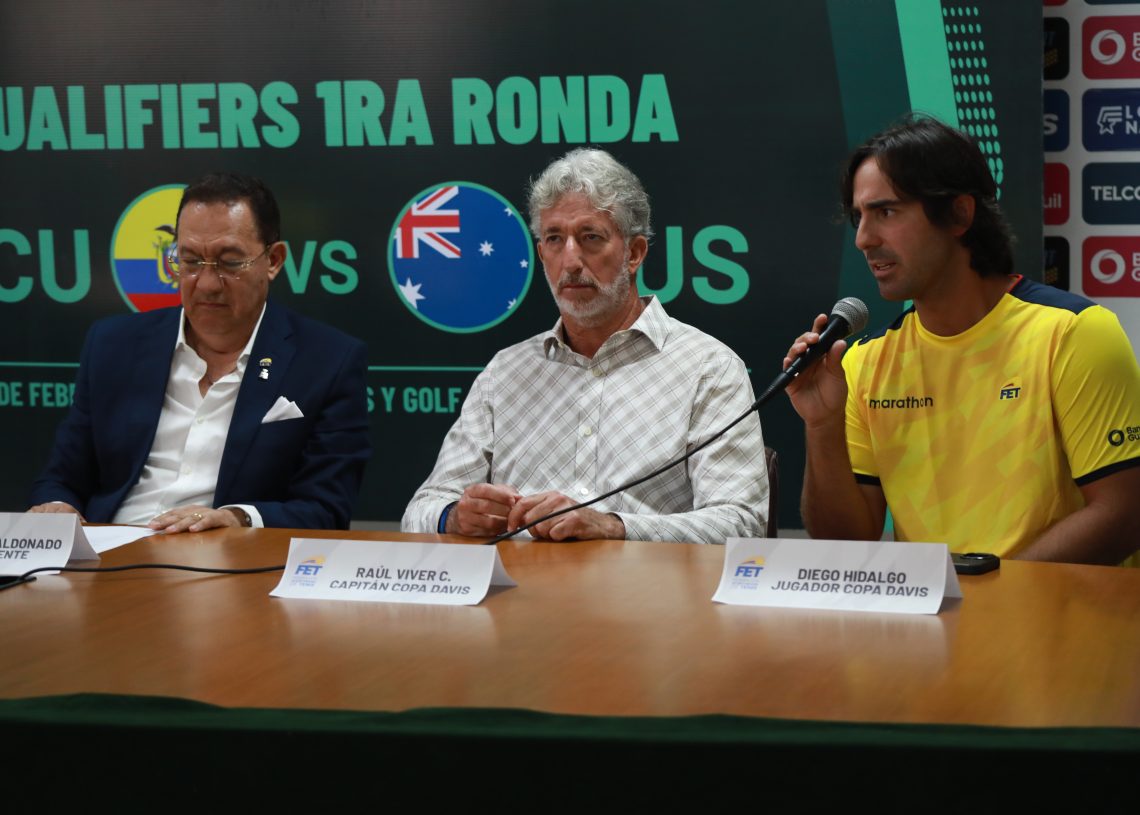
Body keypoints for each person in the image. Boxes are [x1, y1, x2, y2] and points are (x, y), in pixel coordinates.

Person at [785, 116, 1140, 564]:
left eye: (886, 212)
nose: (863, 239)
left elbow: (1123, 514)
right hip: (938, 608)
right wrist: (822, 427)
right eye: (859, 217)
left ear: (959, 214)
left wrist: (988, 597)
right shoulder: (861, 362)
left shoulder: (1073, 332)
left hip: (1056, 608)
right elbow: (846, 546)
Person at [403, 148, 768, 543]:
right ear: (541, 254)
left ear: (634, 253)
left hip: (644, 583)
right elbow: (421, 510)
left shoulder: (708, 368)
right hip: (517, 582)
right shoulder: (505, 372)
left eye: (590, 237)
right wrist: (454, 517)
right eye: (554, 239)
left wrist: (612, 526)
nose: (571, 260)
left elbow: (742, 524)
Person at [28, 172, 370, 532]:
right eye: (190, 261)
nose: (206, 284)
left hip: (228, 555)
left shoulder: (328, 361)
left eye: (230, 262)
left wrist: (237, 518)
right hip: (110, 550)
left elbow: (325, 510)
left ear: (273, 260)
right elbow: (61, 477)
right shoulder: (113, 344)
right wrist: (57, 506)